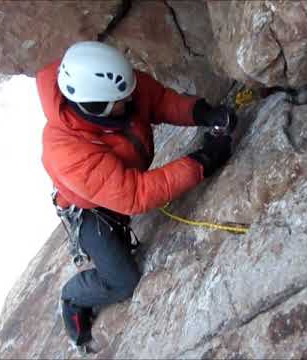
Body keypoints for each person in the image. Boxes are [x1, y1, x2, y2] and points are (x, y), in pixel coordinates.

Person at [36, 41, 235, 349]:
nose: (130, 99)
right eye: (120, 100)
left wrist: (203, 113)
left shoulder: (113, 84)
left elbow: (159, 101)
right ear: (95, 107)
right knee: (123, 281)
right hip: (91, 211)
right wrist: (203, 162)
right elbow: (135, 194)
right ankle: (73, 298)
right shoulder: (66, 149)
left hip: (116, 185)